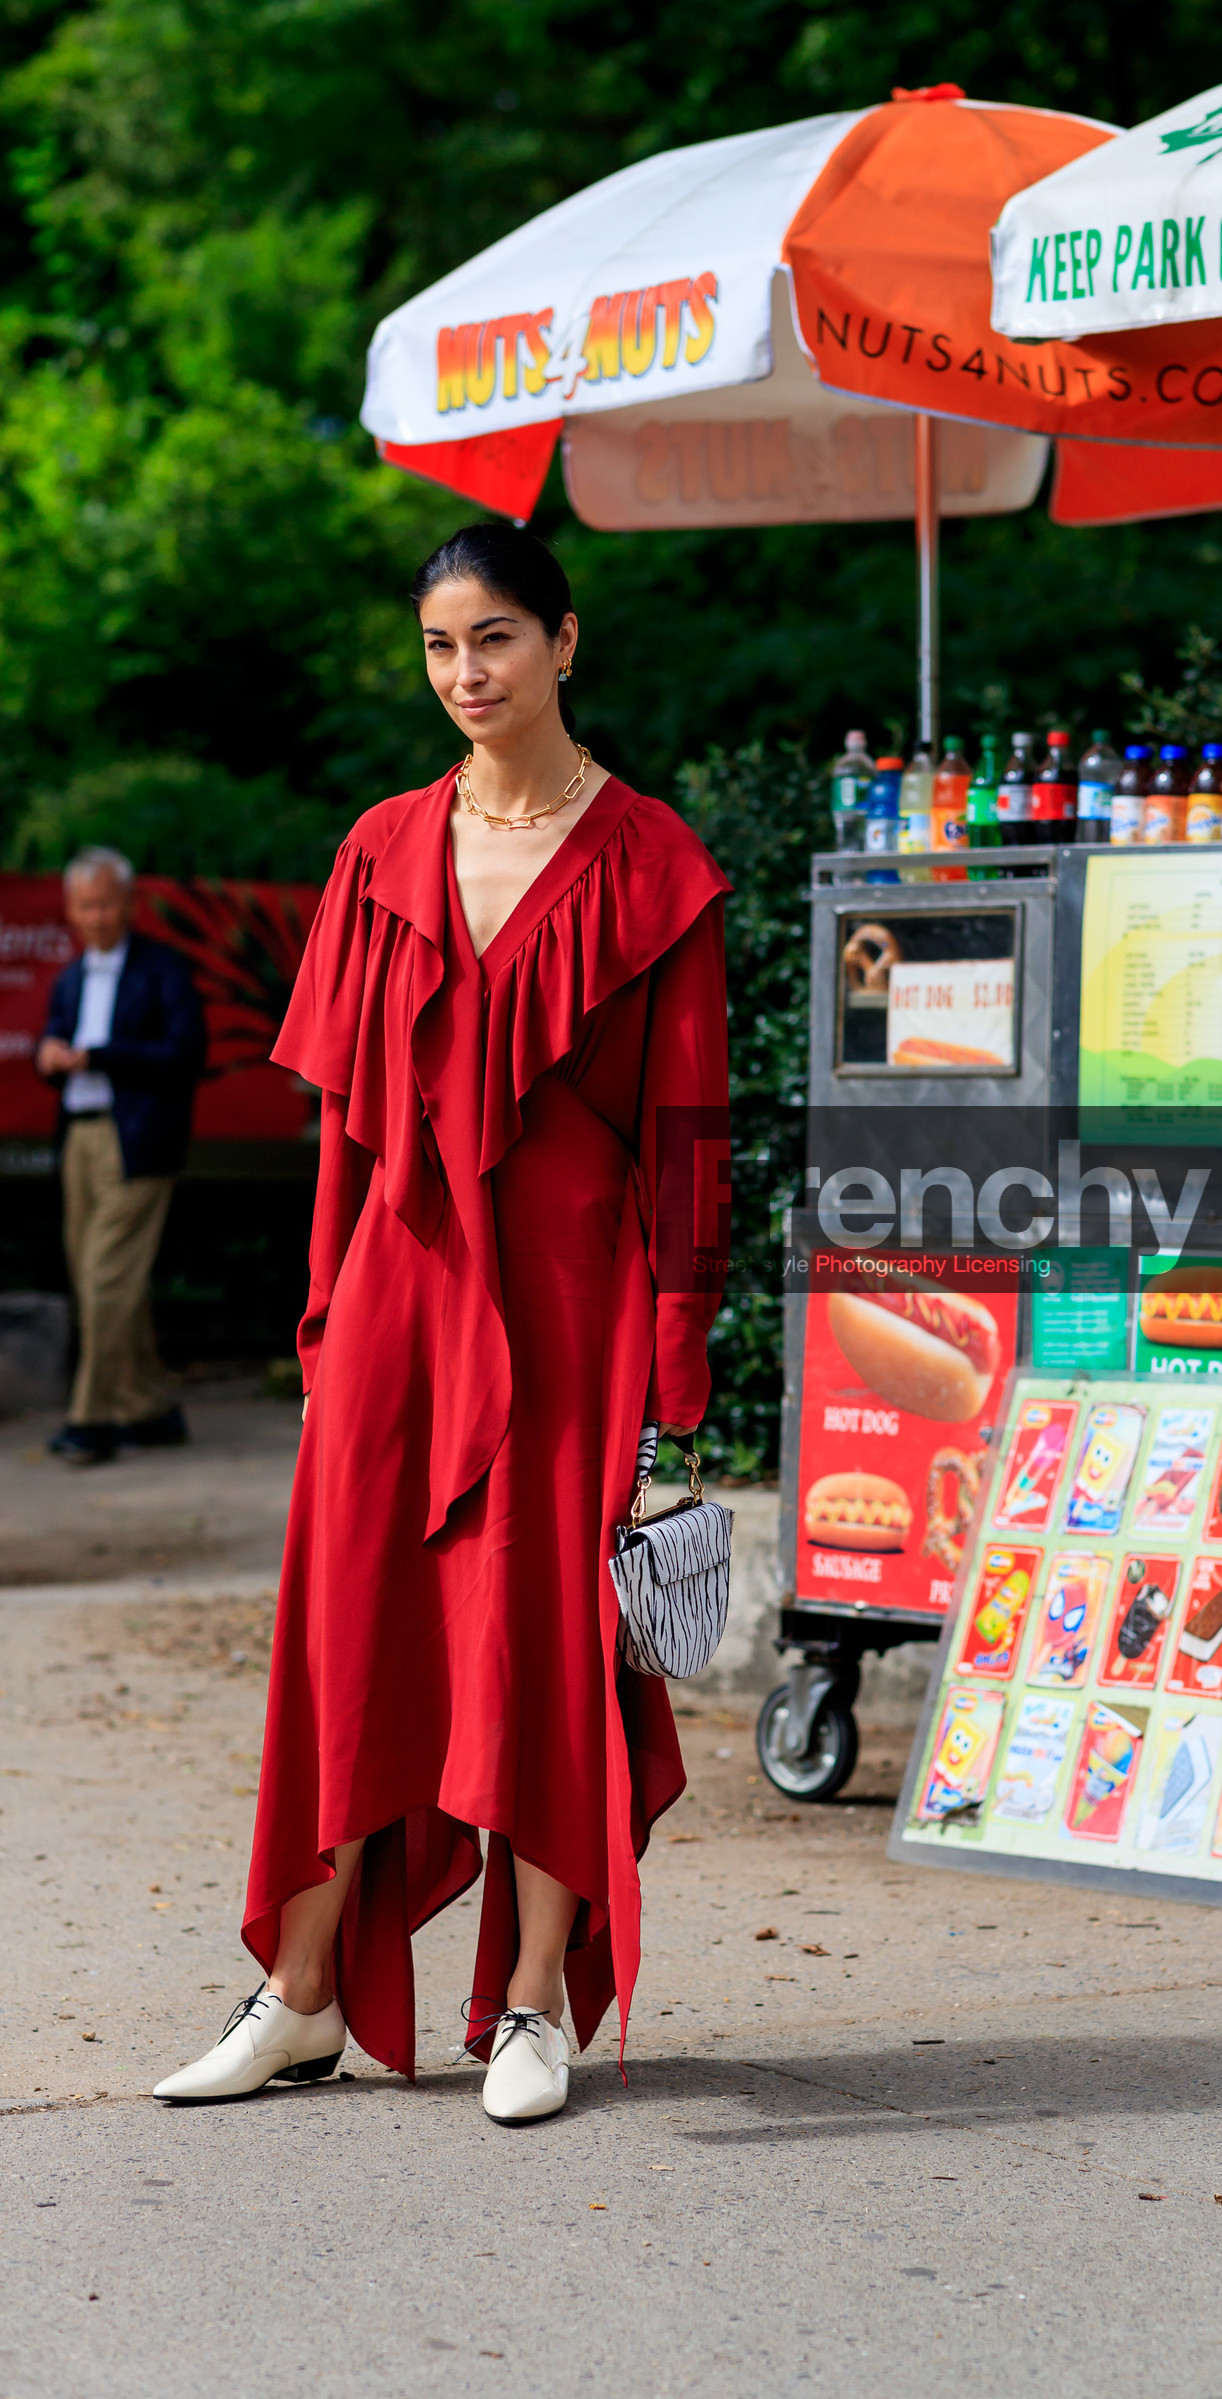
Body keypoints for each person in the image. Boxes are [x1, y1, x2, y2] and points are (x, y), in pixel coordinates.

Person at [154, 525, 730, 2123]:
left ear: (564, 640)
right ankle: (301, 1991)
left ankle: (530, 1998)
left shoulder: (655, 861)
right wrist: (324, 1317)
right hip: (395, 1296)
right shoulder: (380, 847)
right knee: (356, 1626)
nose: (465, 674)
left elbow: (692, 1135)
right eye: (438, 646)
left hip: (571, 1299)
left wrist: (676, 1357)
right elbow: (341, 1122)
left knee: (546, 1637)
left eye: (495, 638)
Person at [35, 847, 205, 1466]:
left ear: (129, 904)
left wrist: (102, 1055)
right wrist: (49, 1055)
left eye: (106, 903)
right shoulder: (71, 976)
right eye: (85, 905)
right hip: (80, 1139)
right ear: (70, 910)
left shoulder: (162, 968)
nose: (96, 916)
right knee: (97, 1279)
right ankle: (147, 1407)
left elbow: (186, 1053)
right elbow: (55, 1037)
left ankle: (92, 1417)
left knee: (106, 1278)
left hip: (138, 1140)